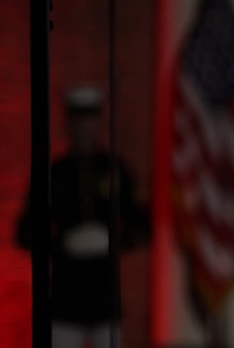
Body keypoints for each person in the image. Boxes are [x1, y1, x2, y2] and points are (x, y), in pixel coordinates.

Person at [17, 86, 151, 348]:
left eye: (90, 119)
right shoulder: (55, 173)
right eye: (78, 120)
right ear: (69, 124)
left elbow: (142, 226)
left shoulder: (114, 169)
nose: (84, 127)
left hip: (105, 299)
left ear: (98, 122)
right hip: (65, 300)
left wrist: (114, 242)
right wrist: (62, 245)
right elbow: (26, 233)